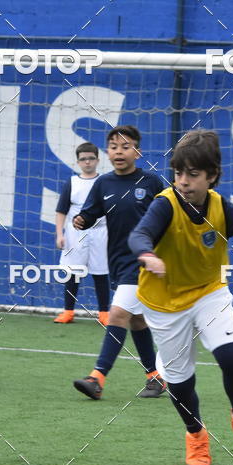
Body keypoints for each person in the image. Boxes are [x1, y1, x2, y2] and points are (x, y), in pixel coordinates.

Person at [128, 129, 233, 465]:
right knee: (180, 380)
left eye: (192, 174)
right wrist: (146, 253)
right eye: (178, 173)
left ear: (212, 176)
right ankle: (196, 434)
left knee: (232, 355)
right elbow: (140, 233)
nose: (183, 181)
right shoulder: (165, 204)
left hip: (209, 292)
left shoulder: (222, 208)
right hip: (164, 304)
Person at [72, 125, 166, 400]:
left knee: (118, 315)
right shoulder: (103, 183)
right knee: (136, 320)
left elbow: (168, 216)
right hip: (118, 261)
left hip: (145, 262)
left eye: (126, 146)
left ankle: (97, 378)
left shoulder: (151, 182)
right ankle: (155, 377)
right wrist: (82, 221)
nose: (119, 151)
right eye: (113, 146)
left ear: (137, 151)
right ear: (108, 152)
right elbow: (89, 214)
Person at [54, 142, 110, 325]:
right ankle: (68, 312)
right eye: (83, 159)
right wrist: (59, 234)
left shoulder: (105, 181)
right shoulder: (71, 182)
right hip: (75, 233)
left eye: (91, 158)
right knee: (72, 272)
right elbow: (61, 210)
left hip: (100, 232)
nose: (87, 162)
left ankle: (104, 313)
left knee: (100, 273)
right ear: (78, 162)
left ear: (98, 159)